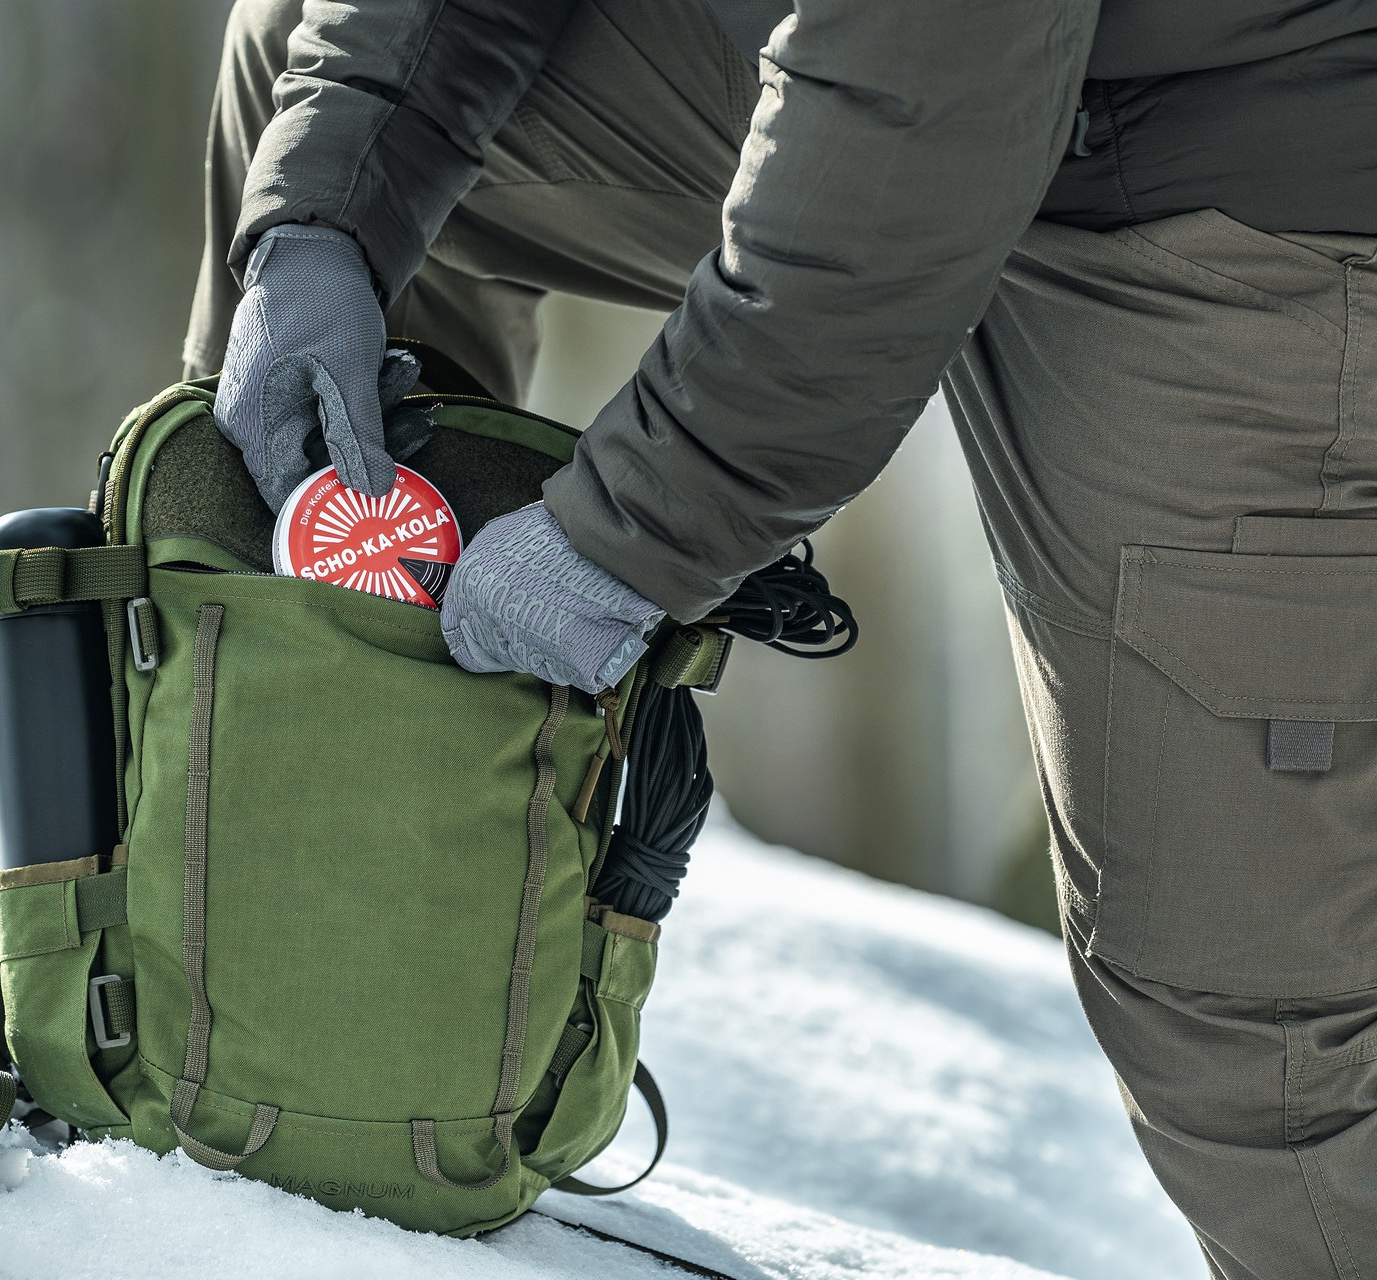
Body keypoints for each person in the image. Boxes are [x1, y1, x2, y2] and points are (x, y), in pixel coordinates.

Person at [186, 0, 1377, 1273]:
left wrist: (633, 525)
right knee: (329, 123)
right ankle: (172, 929)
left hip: (1247, 166)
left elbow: (927, 91)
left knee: (1274, 1060)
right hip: (865, 85)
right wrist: (322, 212)